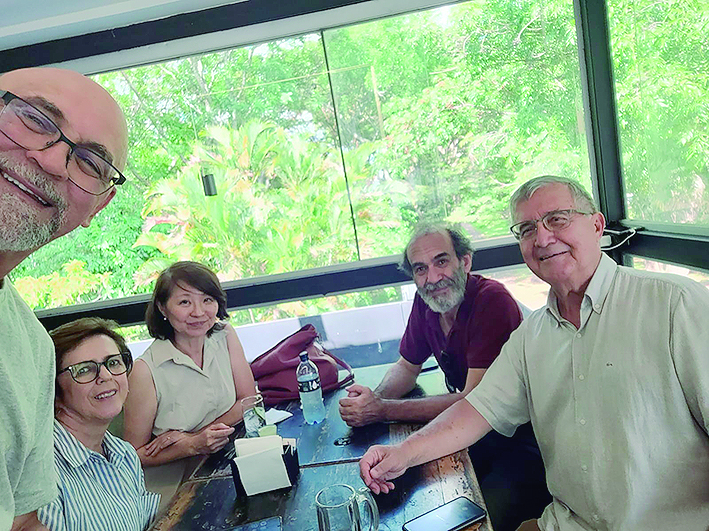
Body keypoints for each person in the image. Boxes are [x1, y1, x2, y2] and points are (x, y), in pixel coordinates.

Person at [359, 175, 709, 531]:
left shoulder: (675, 305)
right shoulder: (531, 337)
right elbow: (476, 408)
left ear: (597, 225)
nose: (542, 238)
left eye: (557, 219)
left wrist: (383, 410)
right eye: (527, 229)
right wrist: (401, 454)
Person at [339, 223, 549, 531]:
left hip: (520, 443)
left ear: (465, 261)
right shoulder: (426, 303)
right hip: (469, 433)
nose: (433, 277)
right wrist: (371, 400)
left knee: (474, 518)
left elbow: (473, 401)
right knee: (402, 494)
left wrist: (382, 410)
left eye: (441, 261)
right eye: (420, 269)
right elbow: (406, 367)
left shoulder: (492, 302)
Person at [0, 67, 128, 530]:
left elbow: (22, 521)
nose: (54, 161)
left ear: (99, 205)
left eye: (90, 163)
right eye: (34, 119)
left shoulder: (34, 351)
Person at [123, 261, 257, 468]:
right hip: (177, 477)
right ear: (162, 308)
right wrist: (192, 445)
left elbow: (249, 400)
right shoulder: (145, 370)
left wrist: (197, 437)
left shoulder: (225, 335)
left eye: (207, 300)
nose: (198, 312)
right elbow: (131, 456)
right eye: (185, 302)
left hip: (231, 454)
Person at [35, 318, 160, 531]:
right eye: (84, 370)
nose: (106, 376)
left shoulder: (125, 454)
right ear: (53, 390)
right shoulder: (42, 474)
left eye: (113, 362)